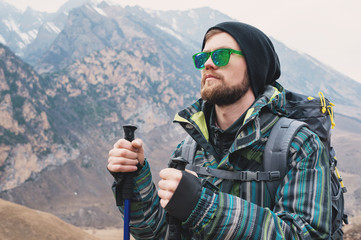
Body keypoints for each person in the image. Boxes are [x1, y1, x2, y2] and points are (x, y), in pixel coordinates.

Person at [107, 21, 331, 239]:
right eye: (203, 57)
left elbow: (305, 235)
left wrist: (201, 205)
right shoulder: (188, 150)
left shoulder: (298, 144)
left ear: (254, 67)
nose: (208, 64)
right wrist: (136, 179)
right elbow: (157, 233)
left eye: (221, 56)